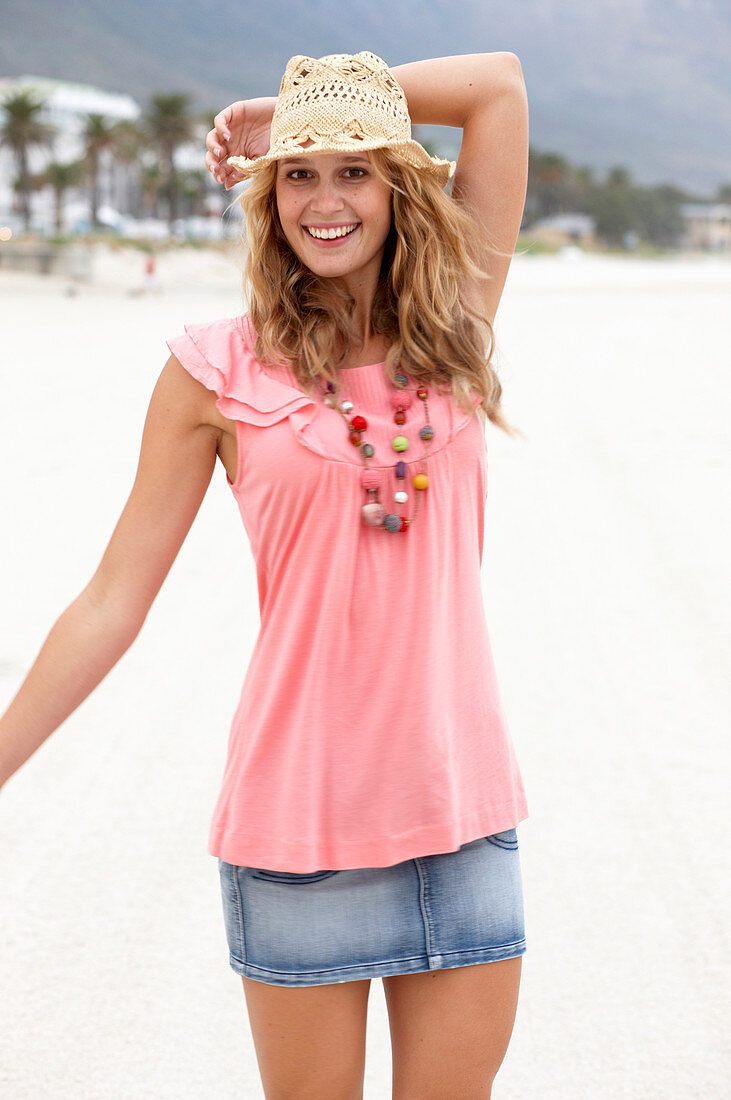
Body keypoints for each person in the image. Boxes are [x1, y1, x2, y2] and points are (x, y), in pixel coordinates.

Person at [1, 50, 530, 1099]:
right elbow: (112, 598)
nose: (323, 201)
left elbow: (498, 88)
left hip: (462, 812)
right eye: (296, 172)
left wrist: (277, 108)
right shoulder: (213, 370)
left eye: (351, 169)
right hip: (301, 829)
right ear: (265, 195)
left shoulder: (455, 319)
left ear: (396, 186)